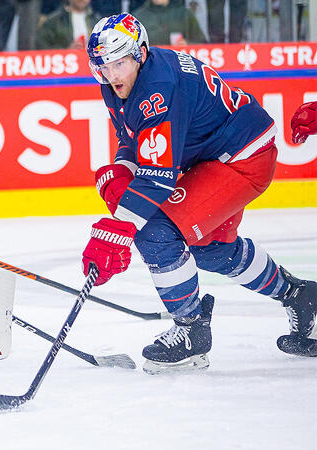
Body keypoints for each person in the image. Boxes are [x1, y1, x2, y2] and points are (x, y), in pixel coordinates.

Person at [80, 14, 317, 374]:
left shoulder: (158, 88)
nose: (112, 75)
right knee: (206, 248)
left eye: (119, 63)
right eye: (102, 66)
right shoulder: (124, 82)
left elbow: (158, 178)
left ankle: (191, 332)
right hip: (216, 154)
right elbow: (135, 140)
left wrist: (119, 228)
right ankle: (299, 295)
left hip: (242, 156)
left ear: (140, 53)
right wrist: (122, 169)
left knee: (156, 232)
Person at [132, 0, 206, 45]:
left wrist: (188, 45)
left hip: (179, 65)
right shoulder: (138, 17)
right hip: (149, 66)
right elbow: (130, 47)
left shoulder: (184, 14)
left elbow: (202, 43)